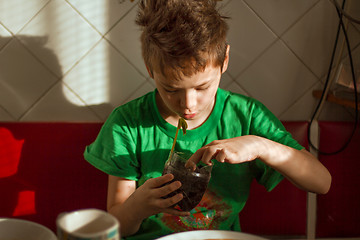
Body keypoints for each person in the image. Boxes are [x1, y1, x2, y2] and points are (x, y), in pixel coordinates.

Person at [84, 0, 331, 239]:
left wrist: (260, 146)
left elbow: (322, 182)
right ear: (150, 69)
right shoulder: (127, 124)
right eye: (171, 89)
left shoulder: (247, 116)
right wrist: (137, 206)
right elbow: (117, 228)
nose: (188, 104)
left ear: (224, 60)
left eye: (202, 87)